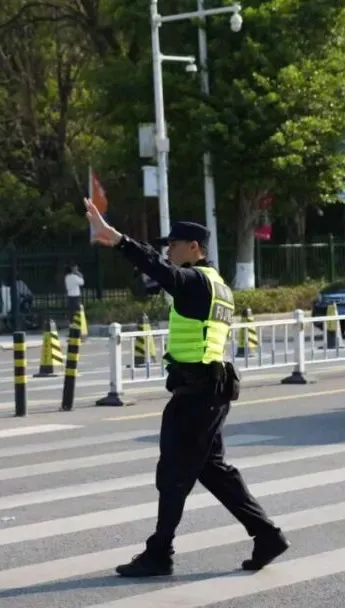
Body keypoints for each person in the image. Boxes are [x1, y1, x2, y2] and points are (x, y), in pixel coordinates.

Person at [84, 198, 290, 577]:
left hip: (198, 394)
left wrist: (118, 240)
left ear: (194, 248)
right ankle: (267, 535)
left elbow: (158, 269)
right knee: (212, 471)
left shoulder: (196, 282)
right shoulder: (218, 285)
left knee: (173, 474)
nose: (169, 251)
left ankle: (159, 553)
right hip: (208, 391)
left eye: (174, 245)